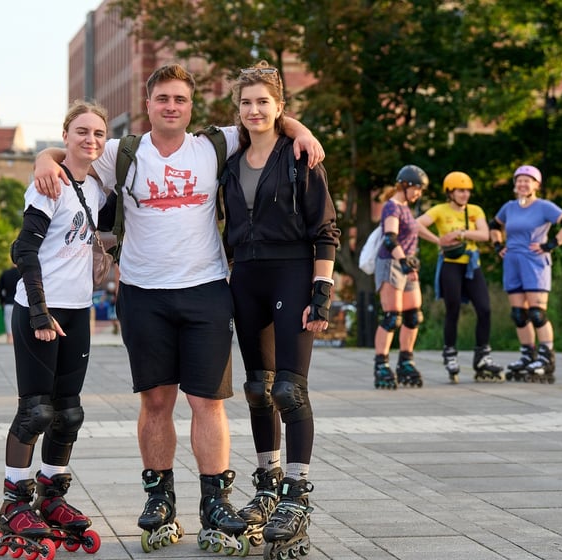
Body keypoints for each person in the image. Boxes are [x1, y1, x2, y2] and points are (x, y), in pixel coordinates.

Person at [32, 63, 324, 554]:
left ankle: (215, 500)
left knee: (207, 402)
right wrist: (43, 157)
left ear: (192, 107)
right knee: (156, 402)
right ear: (147, 105)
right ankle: (161, 498)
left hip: (206, 289)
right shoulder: (122, 153)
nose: (171, 107)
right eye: (162, 99)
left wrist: (302, 129)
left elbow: (268, 119)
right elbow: (70, 153)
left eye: (180, 100)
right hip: (143, 294)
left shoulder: (213, 144)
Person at [222, 61, 340, 558]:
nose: (254, 110)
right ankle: (267, 485)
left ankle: (295, 495)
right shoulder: (227, 158)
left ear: (280, 108)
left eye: (263, 102)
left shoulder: (300, 156)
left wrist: (321, 289)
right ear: (238, 108)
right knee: (258, 390)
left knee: (290, 390)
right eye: (246, 102)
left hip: (293, 272)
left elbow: (325, 228)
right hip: (245, 276)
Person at [0, 100, 110, 556]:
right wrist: (38, 310)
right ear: (66, 134)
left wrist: (106, 254)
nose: (90, 139)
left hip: (77, 309)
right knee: (36, 411)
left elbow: (107, 229)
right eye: (81, 131)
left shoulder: (95, 186)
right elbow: (24, 250)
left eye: (97, 133)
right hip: (41, 310)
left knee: (69, 414)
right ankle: (13, 502)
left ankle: (51, 495)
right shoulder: (48, 183)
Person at [489, 164, 562, 383]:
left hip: (534, 262)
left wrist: (551, 245)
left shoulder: (544, 206)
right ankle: (527, 355)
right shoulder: (509, 207)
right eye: (519, 180)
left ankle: (546, 357)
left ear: (536, 185)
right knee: (519, 314)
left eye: (527, 180)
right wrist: (498, 246)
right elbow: (494, 224)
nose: (522, 184)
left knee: (537, 313)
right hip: (513, 262)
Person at [416, 171, 504, 383]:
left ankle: (483, 355)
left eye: (467, 191)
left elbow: (484, 235)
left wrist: (460, 234)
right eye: (460, 190)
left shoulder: (475, 210)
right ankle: (450, 353)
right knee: (453, 309)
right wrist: (437, 240)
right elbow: (415, 224)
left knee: (484, 309)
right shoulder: (440, 209)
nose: (465, 194)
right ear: (450, 192)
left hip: (472, 266)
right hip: (450, 266)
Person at [373, 165, 436, 389]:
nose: (419, 193)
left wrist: (439, 242)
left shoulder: (407, 208)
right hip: (392, 263)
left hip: (406, 265)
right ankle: (381, 364)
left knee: (413, 316)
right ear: (406, 185)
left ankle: (406, 361)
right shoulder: (392, 207)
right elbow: (390, 239)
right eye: (417, 189)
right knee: (392, 317)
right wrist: (404, 262)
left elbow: (415, 232)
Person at [0, 261, 21, 344]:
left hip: (9, 304)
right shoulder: (24, 273)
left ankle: (9, 342)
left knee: (9, 329)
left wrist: (2, 301)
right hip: (22, 304)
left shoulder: (5, 273)